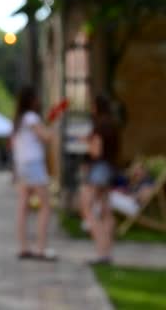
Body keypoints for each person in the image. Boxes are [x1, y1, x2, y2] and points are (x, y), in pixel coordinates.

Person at [12, 86, 56, 261]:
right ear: (31, 99)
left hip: (22, 165)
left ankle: (24, 247)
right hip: (34, 164)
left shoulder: (19, 119)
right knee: (45, 206)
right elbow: (46, 137)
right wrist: (53, 127)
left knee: (23, 207)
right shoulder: (31, 117)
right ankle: (40, 248)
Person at [80, 95, 120, 265]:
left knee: (87, 208)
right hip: (110, 168)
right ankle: (107, 252)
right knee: (106, 211)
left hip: (99, 169)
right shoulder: (112, 124)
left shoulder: (99, 126)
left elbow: (96, 152)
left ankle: (101, 251)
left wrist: (86, 143)